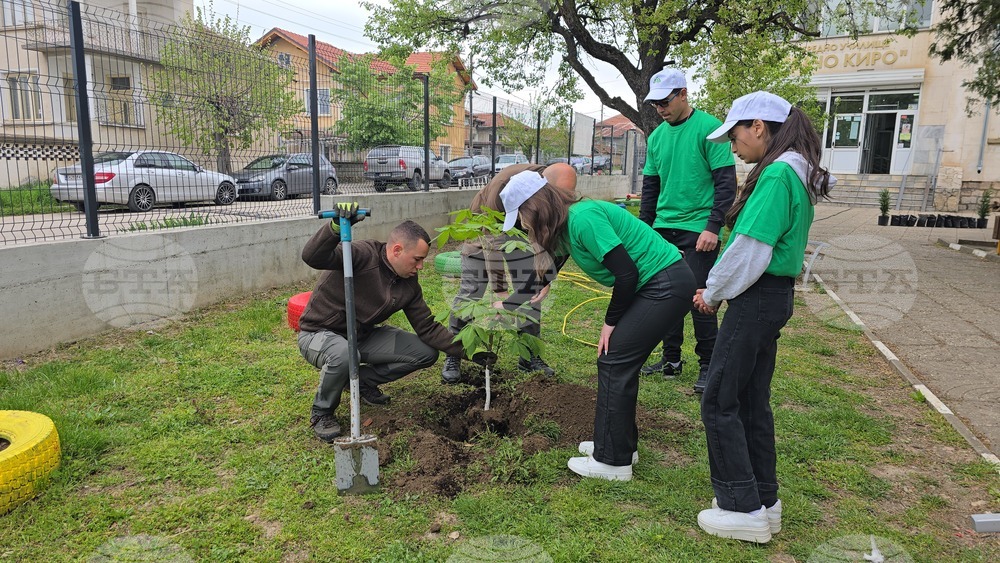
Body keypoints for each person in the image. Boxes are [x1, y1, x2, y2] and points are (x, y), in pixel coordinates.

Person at [693, 92, 833, 543]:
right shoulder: (796, 171)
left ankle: (741, 508)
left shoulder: (775, 176)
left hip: (755, 298)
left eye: (735, 135)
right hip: (774, 298)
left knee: (717, 399)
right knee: (751, 400)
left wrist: (713, 293)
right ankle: (764, 501)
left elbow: (750, 248)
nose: (732, 146)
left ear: (758, 126)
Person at [502, 171, 697, 481]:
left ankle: (612, 462)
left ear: (536, 206)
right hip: (655, 284)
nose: (522, 226)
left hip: (664, 284)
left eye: (522, 218)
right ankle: (620, 446)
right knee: (616, 361)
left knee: (614, 359)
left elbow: (627, 274)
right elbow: (555, 260)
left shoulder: (584, 218)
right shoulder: (565, 226)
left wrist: (610, 322)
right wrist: (524, 294)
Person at [298, 206, 467, 442]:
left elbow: (427, 328)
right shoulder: (359, 254)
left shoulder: (408, 284)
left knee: (426, 353)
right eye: (417, 260)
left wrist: (470, 350)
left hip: (360, 337)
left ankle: (363, 382)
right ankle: (322, 412)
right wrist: (335, 228)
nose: (420, 267)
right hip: (319, 333)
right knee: (346, 356)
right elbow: (313, 256)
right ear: (397, 250)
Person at [638, 68, 737, 393]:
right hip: (663, 229)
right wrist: (644, 232)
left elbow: (726, 184)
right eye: (655, 105)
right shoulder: (656, 138)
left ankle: (708, 365)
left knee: (700, 300)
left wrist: (712, 226)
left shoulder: (710, 129)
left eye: (665, 102)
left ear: (683, 94)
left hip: (699, 233)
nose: (660, 109)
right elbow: (651, 189)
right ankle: (671, 361)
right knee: (666, 298)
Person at [441, 162, 578, 384]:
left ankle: (528, 355)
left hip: (524, 232)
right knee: (472, 289)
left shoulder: (558, 195)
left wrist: (545, 278)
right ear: (542, 185)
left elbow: (560, 239)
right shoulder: (506, 187)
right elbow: (492, 242)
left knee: (530, 289)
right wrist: (502, 293)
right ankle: (453, 353)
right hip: (485, 226)